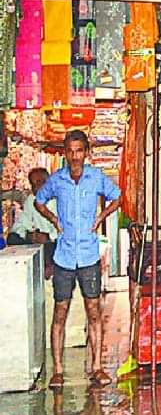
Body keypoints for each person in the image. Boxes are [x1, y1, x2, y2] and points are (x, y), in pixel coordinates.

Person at [35, 130, 121, 389]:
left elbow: (117, 197)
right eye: (70, 151)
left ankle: (97, 367)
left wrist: (100, 218)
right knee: (60, 311)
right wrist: (54, 220)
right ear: (65, 153)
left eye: (79, 151)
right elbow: (40, 201)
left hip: (88, 254)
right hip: (63, 255)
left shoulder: (96, 178)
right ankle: (58, 371)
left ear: (87, 152)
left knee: (93, 311)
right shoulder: (57, 180)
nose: (75, 156)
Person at [4, 167, 57, 250]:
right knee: (12, 238)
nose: (36, 188)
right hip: (38, 242)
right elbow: (20, 225)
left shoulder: (62, 198)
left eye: (39, 182)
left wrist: (48, 237)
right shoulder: (31, 199)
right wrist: (28, 235)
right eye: (33, 184)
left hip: (55, 242)